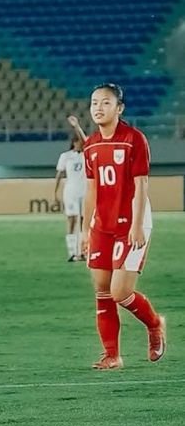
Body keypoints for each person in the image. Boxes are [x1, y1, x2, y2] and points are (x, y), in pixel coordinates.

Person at [80, 83, 166, 370]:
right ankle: (112, 355)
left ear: (120, 108)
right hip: (101, 226)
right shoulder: (90, 144)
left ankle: (155, 325)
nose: (98, 108)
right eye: (94, 103)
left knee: (120, 292)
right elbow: (91, 191)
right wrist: (84, 230)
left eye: (105, 103)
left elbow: (141, 185)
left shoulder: (134, 139)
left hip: (131, 223)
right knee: (102, 291)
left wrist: (138, 224)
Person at [54, 130, 87, 262]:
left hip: (85, 192)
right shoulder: (65, 156)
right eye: (79, 142)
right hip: (71, 192)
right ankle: (72, 252)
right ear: (74, 143)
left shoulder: (87, 155)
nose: (81, 144)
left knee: (84, 223)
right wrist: (55, 193)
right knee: (72, 220)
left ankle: (83, 252)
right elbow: (59, 175)